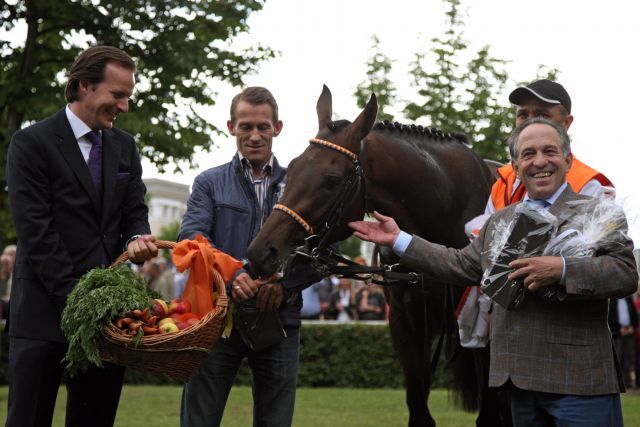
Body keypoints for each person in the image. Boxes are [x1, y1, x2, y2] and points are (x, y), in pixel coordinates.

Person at [349, 118, 638, 427]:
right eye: (528, 154)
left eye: (549, 151)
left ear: (568, 160)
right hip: (518, 387)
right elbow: (460, 264)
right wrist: (398, 239)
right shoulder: (498, 221)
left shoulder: (598, 211)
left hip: (579, 384)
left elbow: (624, 273)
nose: (539, 161)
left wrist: (563, 269)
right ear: (515, 166)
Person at [4, 45, 158, 427]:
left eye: (129, 97)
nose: (124, 106)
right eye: (117, 95)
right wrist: (82, 305)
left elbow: (134, 213)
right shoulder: (30, 144)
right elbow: (36, 233)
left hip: (107, 324)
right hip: (42, 314)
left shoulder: (126, 147)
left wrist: (137, 239)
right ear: (85, 85)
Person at [179, 86, 308, 427]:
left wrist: (286, 283)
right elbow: (191, 238)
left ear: (277, 128)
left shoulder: (299, 184)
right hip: (218, 317)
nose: (254, 135)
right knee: (199, 420)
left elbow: (324, 249)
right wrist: (233, 275)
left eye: (262, 127)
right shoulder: (208, 182)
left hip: (279, 318)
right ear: (230, 127)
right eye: (245, 126)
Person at [608, 296, 638, 388]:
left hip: (629, 332)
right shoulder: (612, 301)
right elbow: (610, 318)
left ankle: (627, 382)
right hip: (618, 334)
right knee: (618, 358)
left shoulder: (628, 299)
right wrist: (618, 329)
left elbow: (634, 314)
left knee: (628, 359)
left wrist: (633, 326)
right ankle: (617, 382)